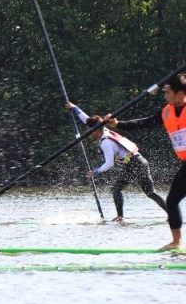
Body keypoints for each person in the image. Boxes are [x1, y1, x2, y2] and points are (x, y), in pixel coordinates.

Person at [105, 73, 186, 250]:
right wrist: (118, 124)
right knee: (172, 201)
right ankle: (176, 242)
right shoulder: (166, 112)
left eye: (168, 93)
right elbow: (144, 123)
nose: (165, 96)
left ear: (180, 94)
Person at [65, 101, 166, 222]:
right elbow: (87, 119)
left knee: (141, 192)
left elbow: (109, 163)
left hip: (136, 163)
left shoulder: (106, 142)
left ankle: (122, 217)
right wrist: (74, 108)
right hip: (135, 162)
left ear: (96, 130)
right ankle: (122, 217)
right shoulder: (103, 129)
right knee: (138, 191)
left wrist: (95, 172)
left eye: (90, 131)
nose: (89, 133)